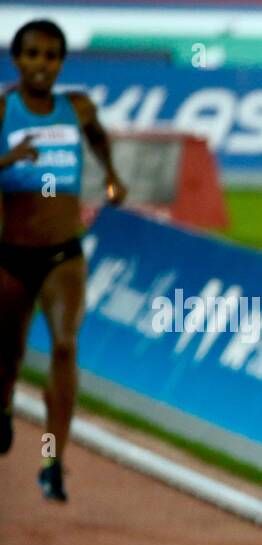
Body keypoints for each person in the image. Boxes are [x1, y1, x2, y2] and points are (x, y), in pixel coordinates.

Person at [0, 19, 126, 501]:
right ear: (18, 59)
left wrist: (111, 176)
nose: (42, 64)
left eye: (52, 56)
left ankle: (53, 459)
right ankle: (5, 405)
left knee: (65, 346)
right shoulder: (5, 108)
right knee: (8, 353)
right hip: (10, 255)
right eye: (33, 54)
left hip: (62, 253)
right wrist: (11, 160)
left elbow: (96, 135)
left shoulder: (77, 107)